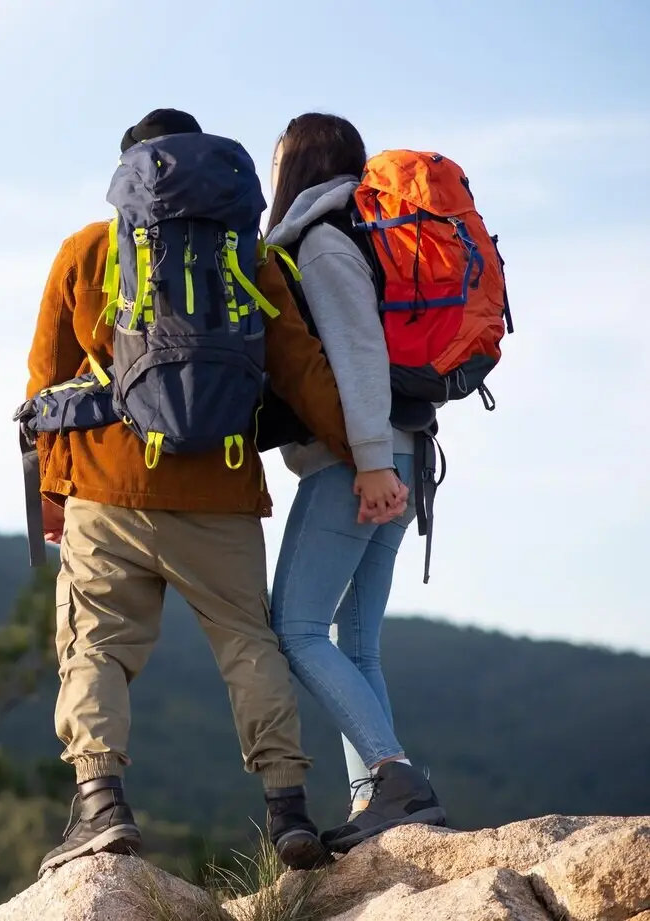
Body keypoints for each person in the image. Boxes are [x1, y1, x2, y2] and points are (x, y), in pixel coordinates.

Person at [24, 108, 404, 877]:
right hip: (221, 489)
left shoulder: (86, 250)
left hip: (106, 487)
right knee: (247, 644)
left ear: (128, 175)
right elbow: (301, 367)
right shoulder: (247, 253)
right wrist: (366, 458)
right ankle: (288, 811)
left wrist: (54, 497)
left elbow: (46, 384)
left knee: (96, 645)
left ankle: (101, 804)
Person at [262, 112, 447, 853]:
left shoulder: (323, 238)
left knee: (296, 628)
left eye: (276, 156)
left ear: (296, 163)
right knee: (356, 639)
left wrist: (369, 461)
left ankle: (393, 775)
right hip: (406, 454)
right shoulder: (367, 232)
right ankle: (380, 800)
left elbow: (360, 352)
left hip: (364, 462)